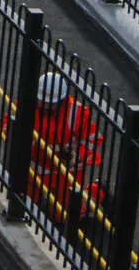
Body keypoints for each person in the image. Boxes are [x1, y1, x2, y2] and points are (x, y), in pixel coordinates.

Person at [29, 71, 107, 232]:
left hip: (66, 172)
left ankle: (98, 192)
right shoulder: (27, 103)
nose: (45, 106)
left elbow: (91, 140)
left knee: (63, 216)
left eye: (51, 103)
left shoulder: (78, 113)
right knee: (23, 203)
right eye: (42, 101)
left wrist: (77, 155)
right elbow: (9, 125)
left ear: (62, 100)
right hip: (35, 167)